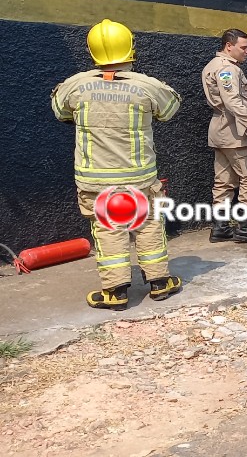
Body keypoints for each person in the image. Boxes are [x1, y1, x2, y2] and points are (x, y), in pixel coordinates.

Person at [51, 19, 183, 309]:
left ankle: (115, 292)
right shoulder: (146, 86)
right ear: (130, 48)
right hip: (140, 178)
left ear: (92, 51)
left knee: (108, 228)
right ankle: (160, 283)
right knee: (149, 224)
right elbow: (170, 109)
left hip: (96, 180)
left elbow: (60, 112)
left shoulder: (75, 85)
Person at [202, 29, 247, 244]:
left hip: (221, 132)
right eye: (244, 47)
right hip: (236, 133)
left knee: (223, 182)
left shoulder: (213, 65)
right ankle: (245, 227)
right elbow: (233, 101)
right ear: (228, 46)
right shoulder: (227, 69)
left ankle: (220, 228)